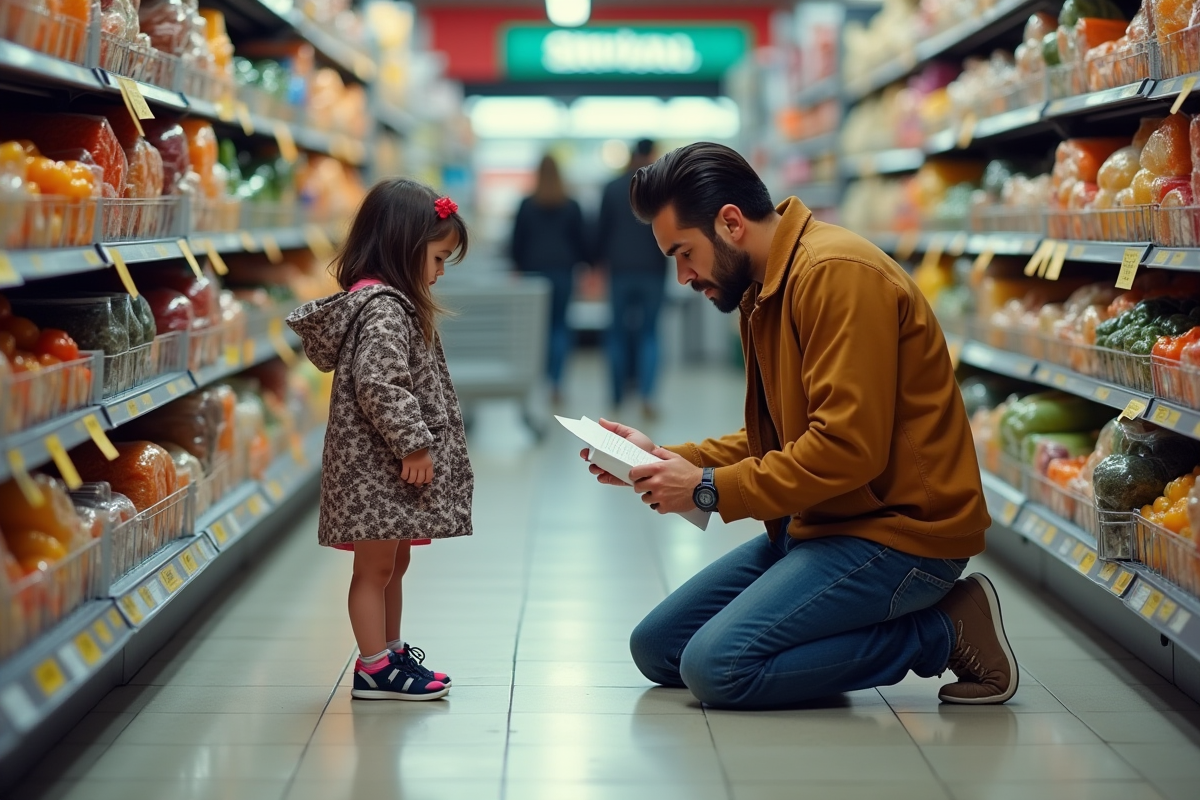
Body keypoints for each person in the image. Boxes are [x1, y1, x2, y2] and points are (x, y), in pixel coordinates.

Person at [582, 142, 1018, 710]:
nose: (683, 275)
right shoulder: (763, 289)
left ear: (731, 223)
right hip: (823, 520)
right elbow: (783, 437)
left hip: (901, 535)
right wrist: (669, 458)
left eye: (685, 253)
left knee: (717, 668)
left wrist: (708, 489)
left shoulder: (836, 276)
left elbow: (845, 448)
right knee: (659, 648)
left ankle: (944, 629)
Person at [288, 179, 473, 701]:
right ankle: (373, 667)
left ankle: (390, 652)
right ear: (403, 247)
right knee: (373, 568)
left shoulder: (390, 305)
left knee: (394, 562)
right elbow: (379, 383)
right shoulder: (385, 309)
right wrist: (414, 443)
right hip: (375, 467)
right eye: (438, 259)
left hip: (379, 470)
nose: (440, 272)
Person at [596, 139, 669, 416]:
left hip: (619, 270)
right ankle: (647, 396)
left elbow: (601, 232)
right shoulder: (660, 190)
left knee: (616, 333)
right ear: (652, 155)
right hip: (652, 269)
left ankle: (616, 396)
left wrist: (597, 263)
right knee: (650, 333)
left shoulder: (613, 187)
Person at [511, 154, 588, 403]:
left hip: (533, 273)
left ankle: (537, 379)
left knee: (536, 328)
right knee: (560, 327)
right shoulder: (571, 205)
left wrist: (517, 265)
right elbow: (582, 241)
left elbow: (516, 242)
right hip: (563, 271)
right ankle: (557, 383)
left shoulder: (527, 204)